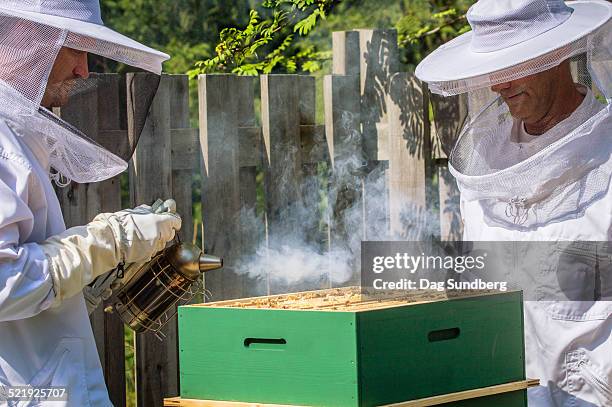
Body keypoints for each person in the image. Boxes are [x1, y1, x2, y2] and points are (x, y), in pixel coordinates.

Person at [416, 0, 611, 406]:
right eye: (494, 68)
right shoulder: (486, 167)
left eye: (516, 63)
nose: (498, 84)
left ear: (559, 53)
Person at [0, 1, 181, 406]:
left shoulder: (17, 132)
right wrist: (106, 241)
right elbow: (4, 284)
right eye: (73, 48)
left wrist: (108, 245)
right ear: (27, 40)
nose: (84, 70)